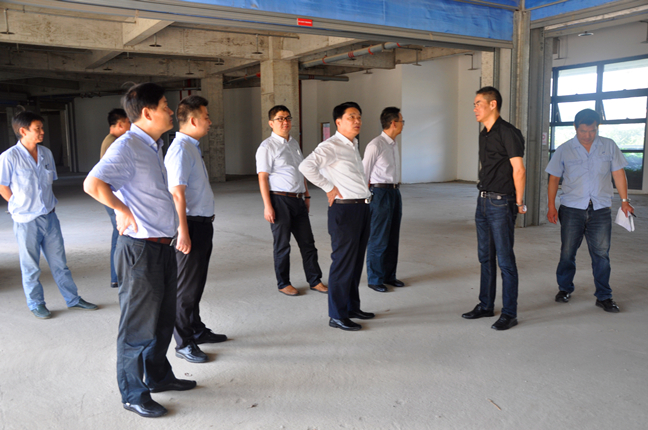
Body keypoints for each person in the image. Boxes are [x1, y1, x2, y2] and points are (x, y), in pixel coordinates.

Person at [84, 83, 195, 418]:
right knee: (137, 328)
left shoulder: (153, 145)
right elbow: (93, 184)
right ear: (147, 112)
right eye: (165, 105)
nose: (170, 111)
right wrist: (120, 209)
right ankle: (133, 393)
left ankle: (158, 376)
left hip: (163, 247)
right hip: (141, 251)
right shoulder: (128, 146)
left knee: (162, 321)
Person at [0, 111, 98, 319]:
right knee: (31, 267)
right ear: (23, 131)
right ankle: (36, 304)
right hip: (26, 221)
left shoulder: (46, 153)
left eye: (42, 128)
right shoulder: (9, 157)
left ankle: (73, 299)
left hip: (50, 217)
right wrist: (17, 205)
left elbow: (49, 182)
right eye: (38, 129)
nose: (42, 132)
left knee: (60, 263)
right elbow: (2, 186)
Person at [545, 108, 633, 313]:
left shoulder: (609, 146)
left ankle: (604, 296)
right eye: (583, 131)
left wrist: (624, 201)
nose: (587, 135)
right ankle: (564, 288)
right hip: (572, 209)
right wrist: (551, 206)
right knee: (567, 252)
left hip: (600, 210)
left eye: (592, 130)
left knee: (601, 255)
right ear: (575, 128)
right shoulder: (564, 149)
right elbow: (554, 179)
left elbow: (619, 174)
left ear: (597, 127)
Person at [299, 102, 375, 331]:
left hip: (362, 208)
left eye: (359, 116)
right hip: (345, 210)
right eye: (351, 116)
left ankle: (351, 307)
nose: (357, 120)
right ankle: (337, 315)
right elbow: (306, 166)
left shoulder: (353, 145)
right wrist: (328, 187)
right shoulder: (331, 145)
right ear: (338, 122)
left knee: (355, 262)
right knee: (343, 263)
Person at [164, 95, 227, 364]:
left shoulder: (192, 147)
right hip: (189, 225)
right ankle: (183, 343)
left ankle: (196, 329)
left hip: (201, 224)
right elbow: (177, 193)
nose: (210, 122)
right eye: (206, 117)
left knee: (196, 284)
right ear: (192, 120)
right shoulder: (180, 149)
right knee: (185, 289)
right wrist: (183, 231)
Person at [461, 86, 526, 331]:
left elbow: (519, 170)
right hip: (483, 201)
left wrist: (519, 202)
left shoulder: (508, 132)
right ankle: (486, 305)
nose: (475, 108)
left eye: (478, 103)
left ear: (493, 104)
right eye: (474, 104)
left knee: (505, 260)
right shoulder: (484, 134)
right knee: (485, 257)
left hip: (501, 202)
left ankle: (510, 313)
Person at [256, 105, 327, 297]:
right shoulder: (267, 147)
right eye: (280, 118)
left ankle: (315, 280)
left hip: (298, 200)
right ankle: (283, 283)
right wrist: (267, 206)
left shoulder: (294, 143)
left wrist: (306, 195)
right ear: (271, 123)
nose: (285, 122)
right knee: (282, 245)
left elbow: (301, 171)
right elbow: (262, 177)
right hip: (279, 201)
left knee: (308, 243)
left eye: (287, 118)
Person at [363, 106, 405, 293]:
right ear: (394, 123)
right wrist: (366, 199)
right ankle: (375, 279)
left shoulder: (393, 145)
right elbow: (364, 173)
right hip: (379, 193)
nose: (403, 124)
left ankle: (389, 275)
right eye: (402, 121)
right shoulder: (376, 145)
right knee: (379, 237)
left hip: (394, 192)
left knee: (392, 237)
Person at [100, 108, 131, 288]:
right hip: (113, 196)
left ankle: (116, 277)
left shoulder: (111, 140)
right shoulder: (114, 142)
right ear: (120, 124)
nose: (131, 126)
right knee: (121, 234)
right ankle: (119, 276)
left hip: (112, 195)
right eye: (128, 123)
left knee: (118, 234)